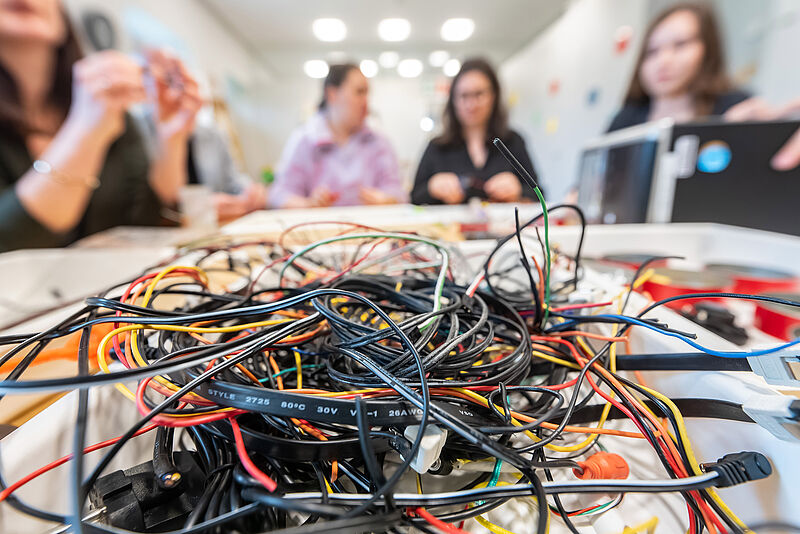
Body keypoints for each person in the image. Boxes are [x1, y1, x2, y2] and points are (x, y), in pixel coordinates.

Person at [0, 0, 200, 252]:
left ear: (63, 19)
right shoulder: (95, 114)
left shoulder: (110, 113)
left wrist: (171, 139)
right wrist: (84, 131)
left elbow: (144, 225)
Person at [608, 3, 761, 132]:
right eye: (652, 51)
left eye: (680, 44)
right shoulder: (624, 120)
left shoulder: (736, 110)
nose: (663, 61)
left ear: (708, 49)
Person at [270, 63, 405, 208]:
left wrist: (387, 199)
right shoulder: (304, 140)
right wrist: (308, 204)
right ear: (332, 94)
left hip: (371, 228)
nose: (366, 101)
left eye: (367, 94)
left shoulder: (380, 142)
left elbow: (398, 192)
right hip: (319, 228)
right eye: (359, 92)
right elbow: (279, 195)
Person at [411, 58, 541, 205]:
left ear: (494, 96)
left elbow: (539, 195)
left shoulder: (513, 141)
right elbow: (414, 198)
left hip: (505, 226)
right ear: (453, 100)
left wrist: (519, 191)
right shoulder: (437, 146)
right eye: (464, 96)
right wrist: (432, 187)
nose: (471, 104)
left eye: (479, 94)